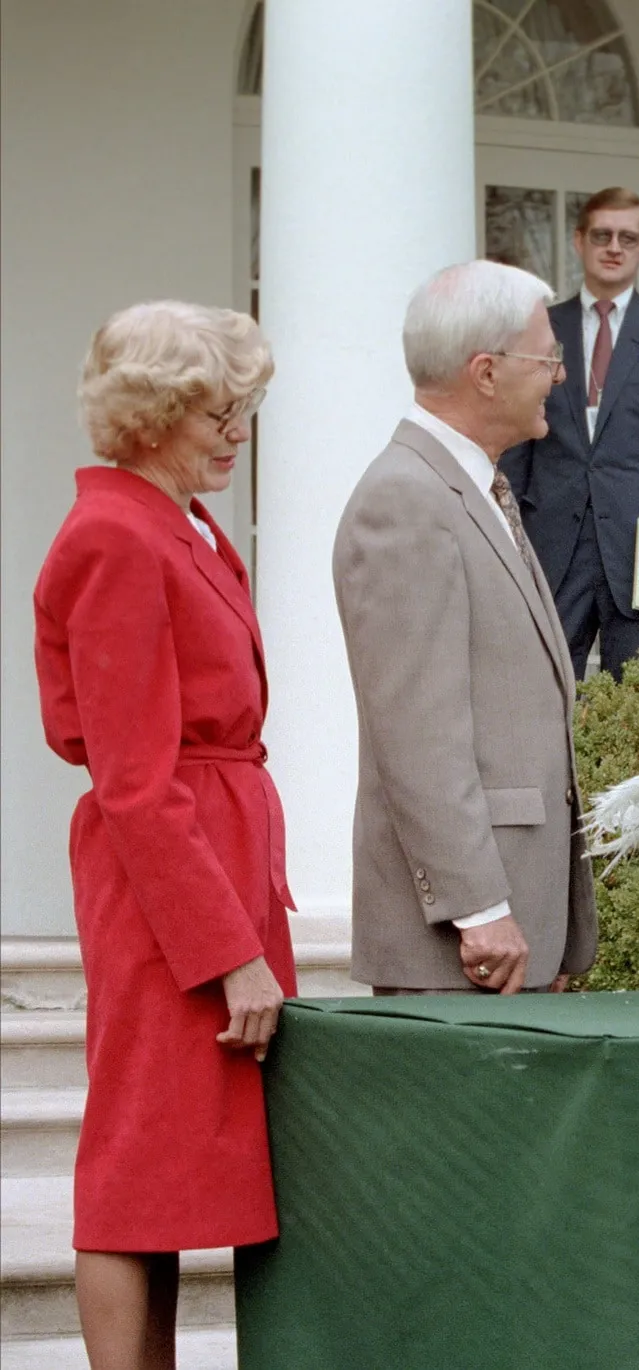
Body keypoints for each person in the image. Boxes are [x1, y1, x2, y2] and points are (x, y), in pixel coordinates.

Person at [35, 301, 295, 1366]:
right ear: (151, 415)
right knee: (138, 1163)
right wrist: (226, 952)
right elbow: (135, 781)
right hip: (167, 882)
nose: (236, 432)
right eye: (216, 412)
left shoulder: (176, 521)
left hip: (215, 853)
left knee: (187, 1164)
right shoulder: (115, 533)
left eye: (241, 411)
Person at [334, 260, 596, 996]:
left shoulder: (474, 489)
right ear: (486, 372)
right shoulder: (406, 500)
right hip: (466, 946)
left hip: (517, 928)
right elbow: (417, 733)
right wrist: (479, 908)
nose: (560, 375)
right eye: (548, 357)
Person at [498, 186, 639, 680]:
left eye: (628, 238)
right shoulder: (538, 327)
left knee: (636, 695)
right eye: (602, 235)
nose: (615, 247)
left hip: (638, 549)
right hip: (550, 539)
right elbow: (513, 438)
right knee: (540, 683)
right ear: (579, 241)